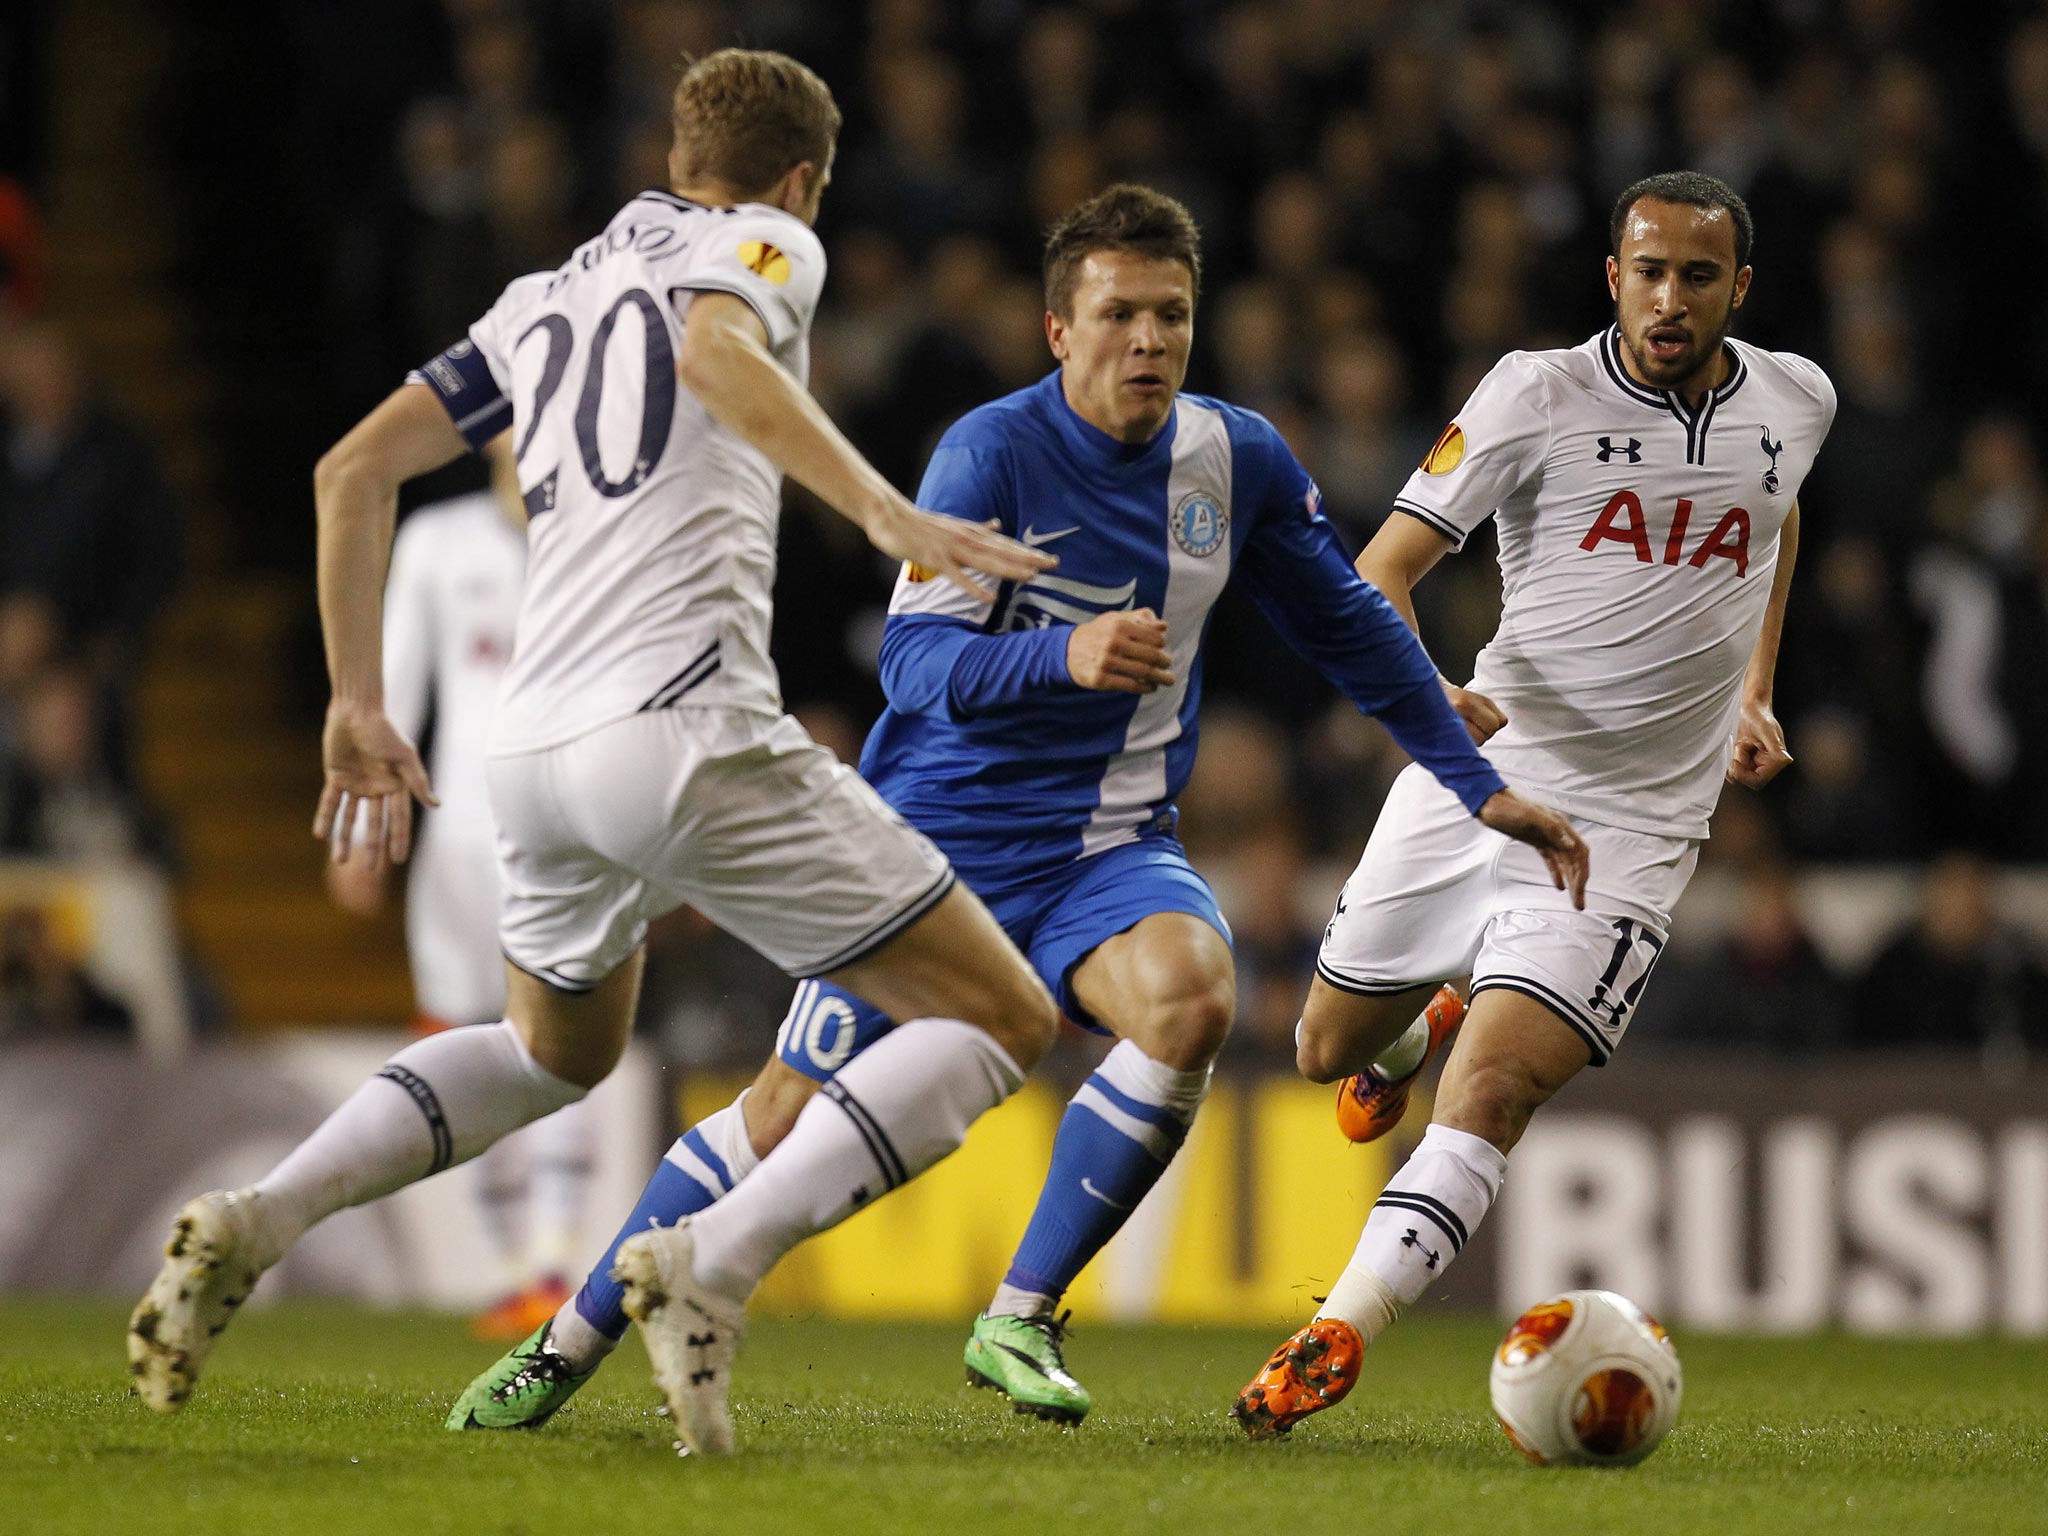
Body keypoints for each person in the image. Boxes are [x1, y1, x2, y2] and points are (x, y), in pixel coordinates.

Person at [447, 183, 1587, 1432]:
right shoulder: (988, 454)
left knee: (1191, 997)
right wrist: (1063, 655)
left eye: (1170, 315)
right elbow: (913, 667)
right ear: (1059, 330)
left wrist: (1481, 792)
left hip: (1108, 850)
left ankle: (1019, 1315)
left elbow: (1352, 631)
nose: (1146, 340)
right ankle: (563, 1346)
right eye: (1117, 315)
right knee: (777, 1116)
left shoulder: (1234, 458)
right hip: (930, 851)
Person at [127, 49, 1068, 1460]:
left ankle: (262, 1215)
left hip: (537, 756)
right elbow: (710, 351)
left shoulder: (537, 297)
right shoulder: (771, 243)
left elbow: (349, 474)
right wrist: (885, 515)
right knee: (1003, 1018)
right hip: (685, 725)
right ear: (802, 177)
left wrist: (355, 701)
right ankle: (718, 1264)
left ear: (675, 153)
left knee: (556, 1048)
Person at [1232, 170, 1833, 1437]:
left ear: (1740, 287)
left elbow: (1772, 525)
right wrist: (1424, 697)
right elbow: (1379, 570)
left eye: (1697, 275)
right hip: (1479, 782)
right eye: (1647, 272)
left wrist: (1752, 688)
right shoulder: (1534, 391)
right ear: (1611, 277)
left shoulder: (1795, 400)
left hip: (1627, 832)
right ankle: (1412, 1023)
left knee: (1494, 1089)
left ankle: (1333, 1332)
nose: (1670, 299)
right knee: (1321, 1050)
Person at [325, 437, 598, 1341]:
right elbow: (394, 683)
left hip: (569, 833)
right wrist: (366, 820)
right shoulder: (438, 540)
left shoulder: (598, 535)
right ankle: (513, 1272)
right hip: (459, 841)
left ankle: (556, 1263)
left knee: (557, 1046)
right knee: (460, 1040)